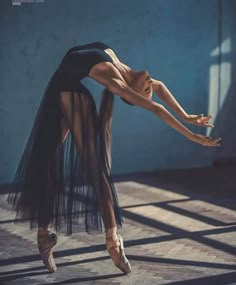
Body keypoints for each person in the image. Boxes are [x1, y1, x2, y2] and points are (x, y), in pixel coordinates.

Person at [7, 41, 221, 274]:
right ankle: (44, 235)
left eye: (147, 90)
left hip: (70, 93)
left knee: (95, 168)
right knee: (45, 162)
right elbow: (159, 87)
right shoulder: (122, 67)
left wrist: (192, 136)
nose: (151, 84)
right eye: (149, 88)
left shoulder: (116, 82)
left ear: (132, 92)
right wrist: (187, 116)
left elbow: (156, 108)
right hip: (60, 90)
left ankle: (113, 240)